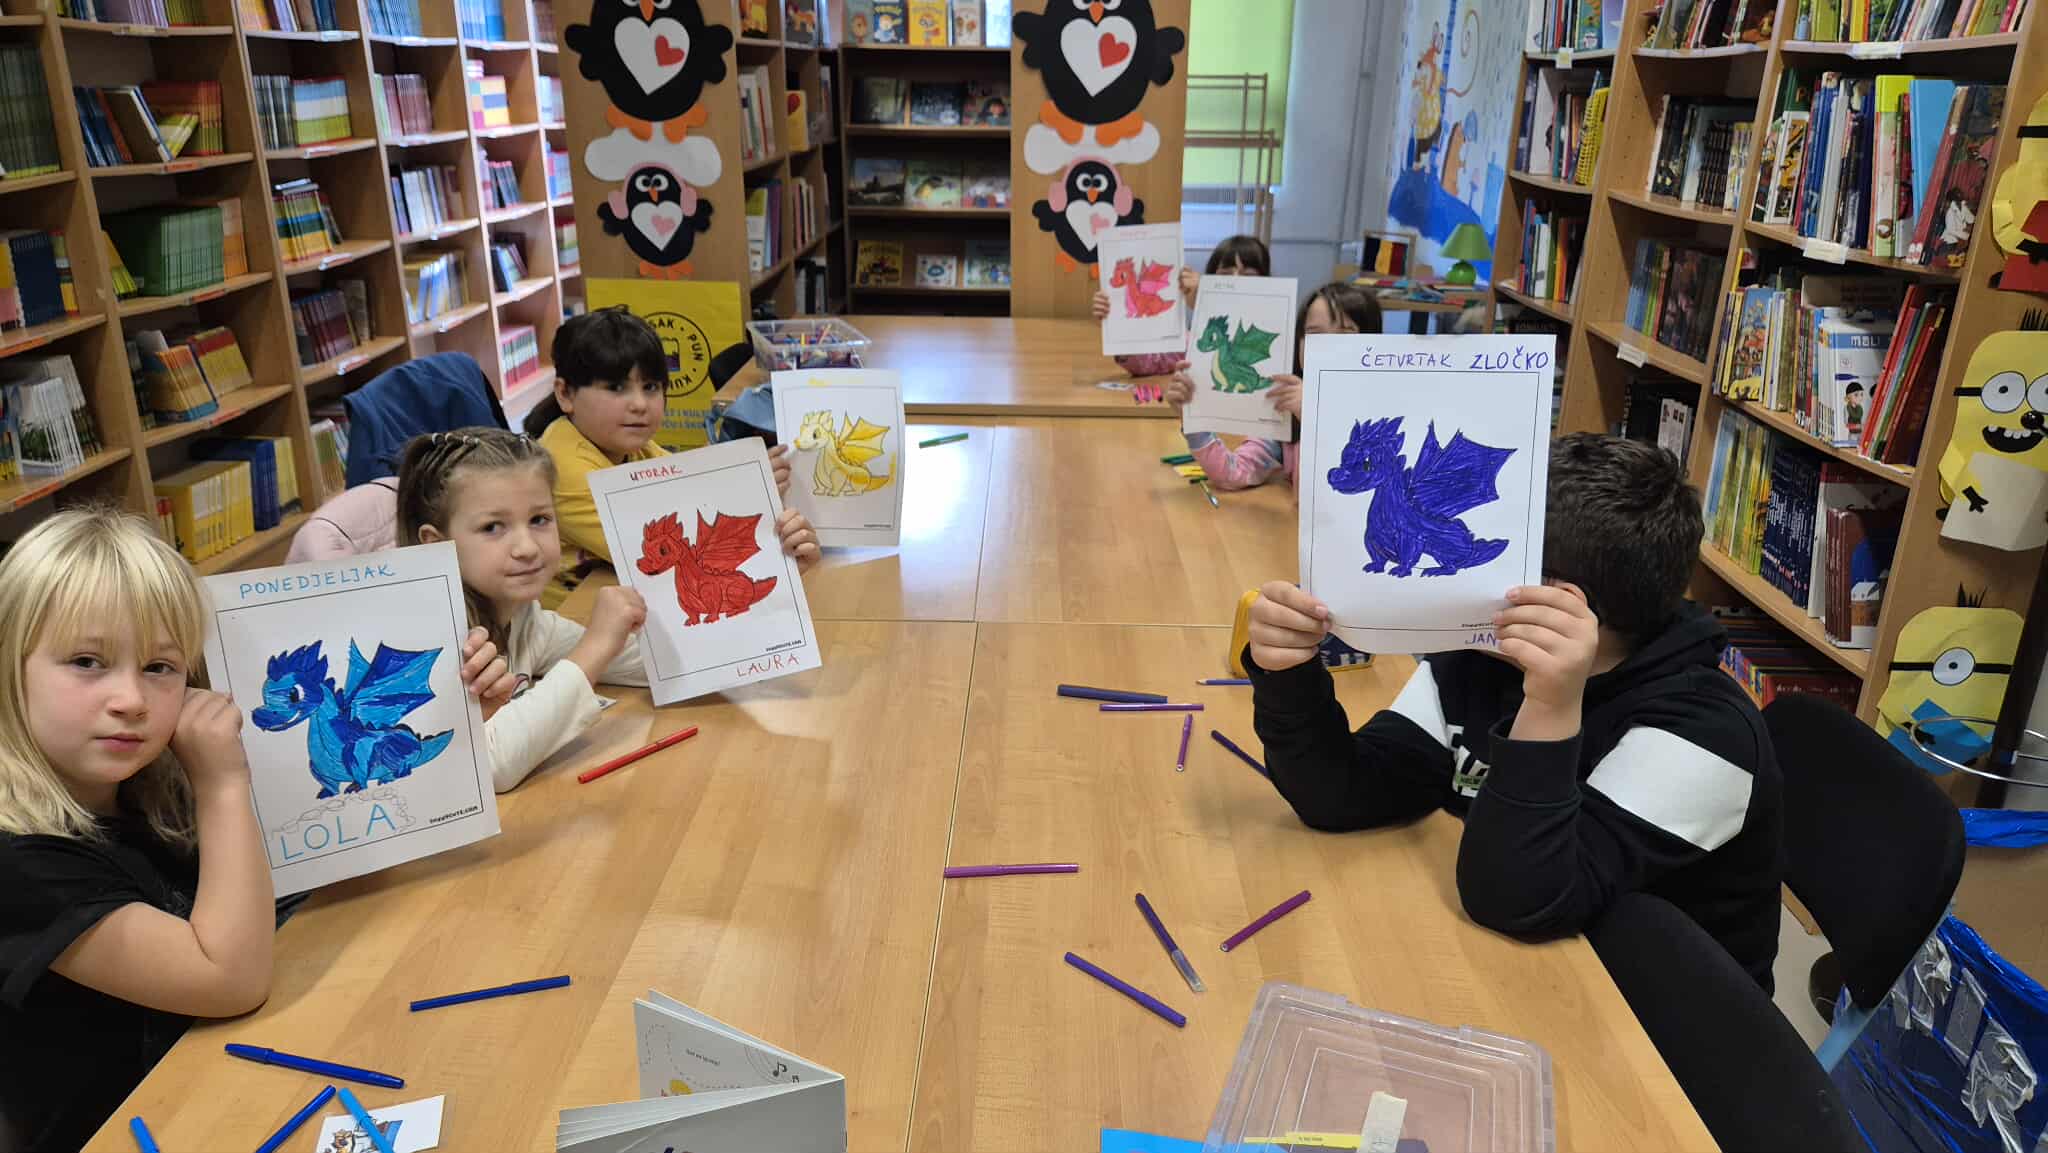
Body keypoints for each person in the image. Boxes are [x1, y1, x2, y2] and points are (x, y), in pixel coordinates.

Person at [1240, 435, 1784, 988]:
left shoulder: (1706, 736)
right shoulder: (1484, 662)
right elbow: (1340, 794)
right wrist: (1288, 673)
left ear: (1558, 603)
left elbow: (1514, 898)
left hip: (1655, 1014)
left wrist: (1550, 706)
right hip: (1524, 973)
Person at [0, 508, 275, 1149]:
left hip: (214, 1084)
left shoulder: (145, 784)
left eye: (159, 667)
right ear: (9, 666)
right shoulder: (18, 861)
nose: (130, 700)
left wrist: (457, 729)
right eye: (87, 661)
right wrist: (223, 784)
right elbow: (229, 980)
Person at [399, 428, 673, 793]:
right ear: (436, 545)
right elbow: (487, 765)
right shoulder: (430, 645)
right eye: (493, 527)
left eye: (539, 519)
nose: (527, 547)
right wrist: (596, 644)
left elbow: (654, 663)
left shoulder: (522, 616)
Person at [525, 307, 818, 609]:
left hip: (628, 598)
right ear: (565, 394)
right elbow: (654, 549)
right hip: (576, 616)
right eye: (616, 388)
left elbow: (687, 485)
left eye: (650, 387)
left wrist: (747, 477)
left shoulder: (630, 445)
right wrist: (746, 491)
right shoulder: (561, 468)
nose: (640, 404)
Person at [1167, 282, 1381, 492]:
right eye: (1315, 335)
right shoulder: (1287, 409)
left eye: (1345, 335)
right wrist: (1194, 421)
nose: (1327, 347)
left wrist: (1315, 420)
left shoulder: (1381, 416)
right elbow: (1234, 472)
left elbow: (1353, 493)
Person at [1091, 235, 1272, 377]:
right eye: (1225, 275)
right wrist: (1117, 324)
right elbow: (1150, 363)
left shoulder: (1274, 333)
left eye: (1248, 276)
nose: (1236, 282)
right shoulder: (1196, 338)